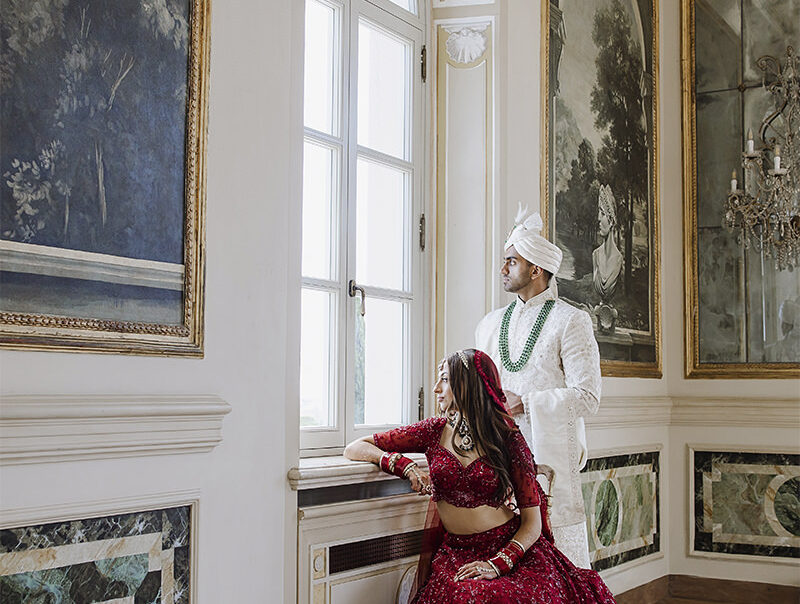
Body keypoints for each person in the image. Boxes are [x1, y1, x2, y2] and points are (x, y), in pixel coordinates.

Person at [344, 349, 616, 604]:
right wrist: (402, 465)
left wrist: (497, 564)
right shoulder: (434, 430)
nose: (437, 389)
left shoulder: (507, 437)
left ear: (468, 385)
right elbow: (355, 447)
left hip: (510, 551)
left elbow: (532, 523)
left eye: (445, 381)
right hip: (457, 554)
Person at [475, 208, 601, 569]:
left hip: (547, 468)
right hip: (496, 461)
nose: (502, 270)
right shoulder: (488, 325)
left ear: (536, 269)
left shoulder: (571, 321)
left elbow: (589, 397)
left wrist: (526, 403)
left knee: (556, 568)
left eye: (511, 262)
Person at [592, 185, 624, 300]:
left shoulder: (618, 259)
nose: (598, 218)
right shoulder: (595, 255)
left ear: (611, 221)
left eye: (602, 213)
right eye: (599, 213)